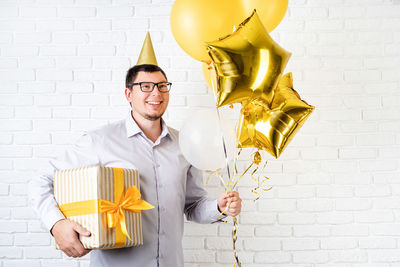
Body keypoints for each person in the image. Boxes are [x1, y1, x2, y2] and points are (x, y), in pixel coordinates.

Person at [29, 33, 242, 267]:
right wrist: (56, 224)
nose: (156, 93)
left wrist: (219, 207)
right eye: (146, 86)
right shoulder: (99, 141)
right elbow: (41, 180)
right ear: (128, 94)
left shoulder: (184, 144)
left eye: (162, 86)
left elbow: (192, 206)